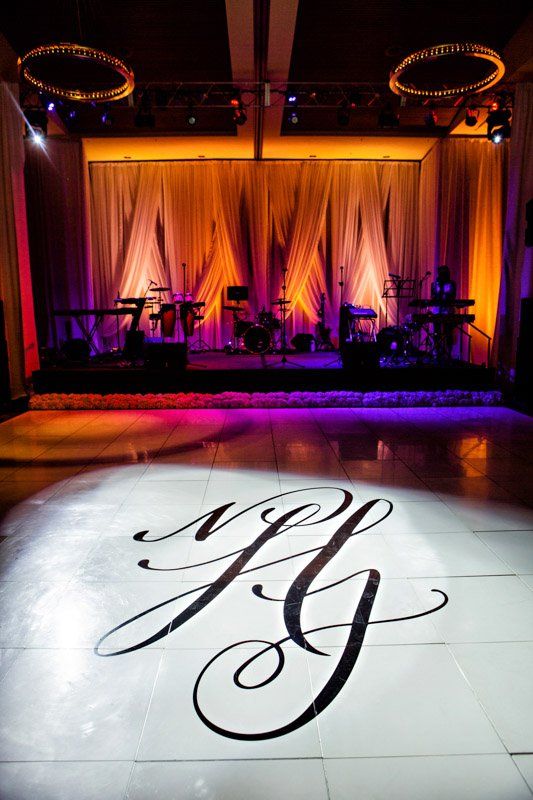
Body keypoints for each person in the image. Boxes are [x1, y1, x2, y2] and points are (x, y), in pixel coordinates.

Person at [430, 265, 457, 359]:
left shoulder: (451, 284)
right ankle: (437, 352)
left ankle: (448, 353)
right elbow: (432, 298)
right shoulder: (434, 284)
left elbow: (453, 297)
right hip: (436, 311)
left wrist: (445, 295)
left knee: (448, 332)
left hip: (448, 311)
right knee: (437, 332)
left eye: (444, 273)